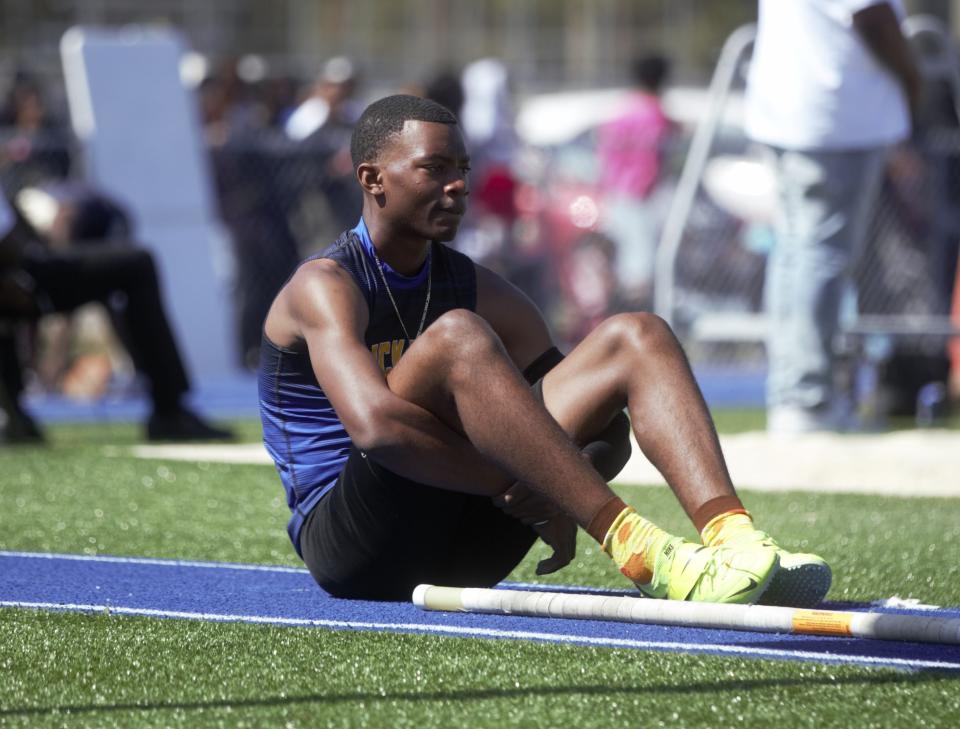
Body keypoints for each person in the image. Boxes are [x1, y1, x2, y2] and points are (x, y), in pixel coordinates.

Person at [259, 94, 831, 606]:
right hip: (359, 551)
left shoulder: (482, 288)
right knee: (459, 336)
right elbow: (378, 428)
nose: (457, 185)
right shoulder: (325, 285)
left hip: (471, 544)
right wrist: (526, 484)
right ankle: (644, 552)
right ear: (372, 178)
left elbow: (598, 431)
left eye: (463, 169)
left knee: (639, 335)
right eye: (434, 168)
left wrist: (546, 486)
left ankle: (737, 544)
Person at [745, 0, 923, 433]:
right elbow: (872, 16)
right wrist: (913, 80)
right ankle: (807, 400)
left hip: (792, 111)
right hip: (833, 117)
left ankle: (793, 396)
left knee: (795, 256)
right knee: (817, 258)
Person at [0, 187, 233, 444]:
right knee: (138, 264)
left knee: (125, 270)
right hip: (17, 278)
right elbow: (10, 244)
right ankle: (170, 409)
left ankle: (14, 414)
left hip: (21, 272)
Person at [596, 54, 674, 308]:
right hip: (641, 195)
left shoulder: (621, 109)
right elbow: (653, 159)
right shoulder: (656, 114)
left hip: (615, 192)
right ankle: (637, 317)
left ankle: (620, 315)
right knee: (641, 264)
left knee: (624, 259)